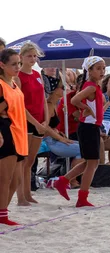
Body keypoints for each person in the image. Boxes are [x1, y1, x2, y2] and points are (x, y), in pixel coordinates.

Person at [53, 56, 106, 207]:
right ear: (90, 70)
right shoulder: (90, 87)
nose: (102, 71)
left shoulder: (93, 86)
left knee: (90, 162)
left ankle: (63, 181)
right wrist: (86, 108)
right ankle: (82, 197)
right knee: (92, 163)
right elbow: (74, 100)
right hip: (88, 127)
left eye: (103, 68)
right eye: (98, 68)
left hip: (91, 126)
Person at [16, 42, 48, 206]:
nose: (33, 59)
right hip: (26, 121)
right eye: (29, 56)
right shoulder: (18, 77)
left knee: (31, 161)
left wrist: (46, 120)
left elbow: (43, 99)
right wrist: (36, 123)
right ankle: (21, 197)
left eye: (34, 56)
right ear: (21, 57)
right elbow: (20, 105)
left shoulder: (37, 74)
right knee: (23, 161)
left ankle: (28, 194)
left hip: (40, 121)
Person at [0, 49, 28, 225]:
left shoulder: (14, 83)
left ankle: (2, 212)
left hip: (19, 132)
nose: (18, 67)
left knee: (16, 179)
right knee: (5, 179)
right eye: (14, 64)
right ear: (2, 65)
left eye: (19, 63)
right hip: (6, 130)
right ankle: (3, 216)